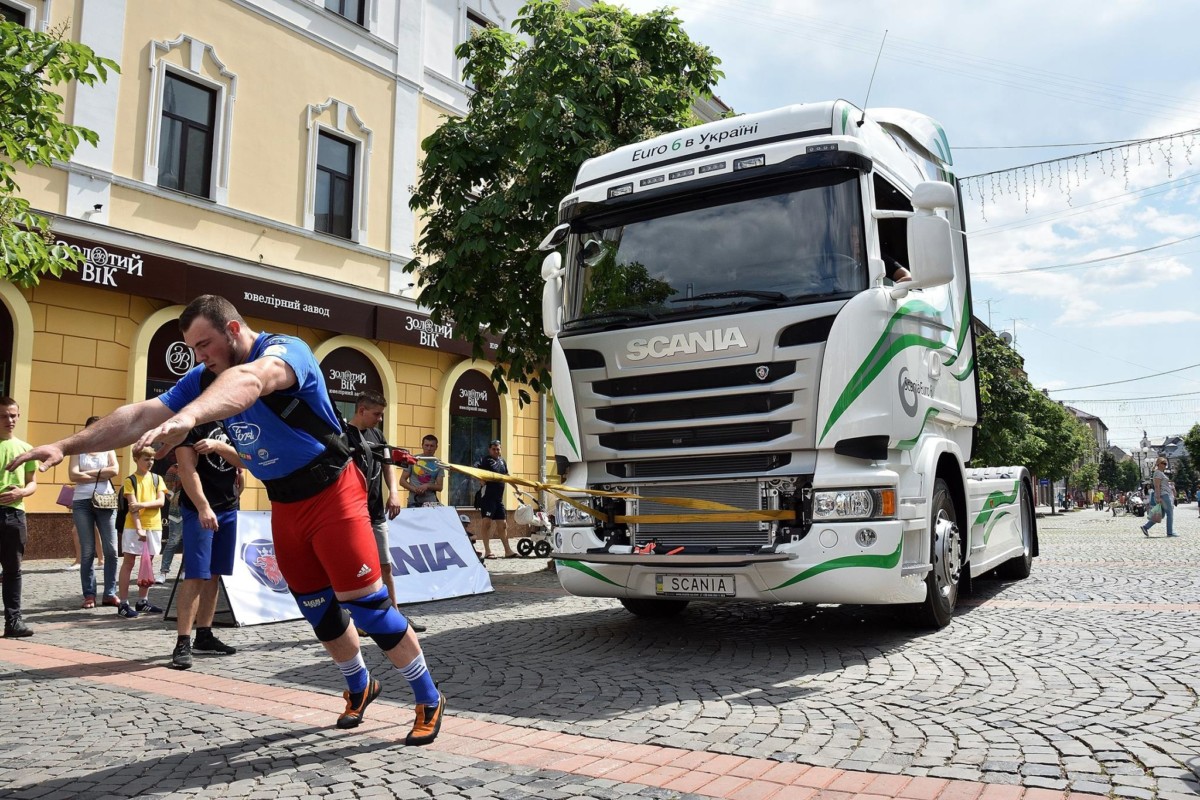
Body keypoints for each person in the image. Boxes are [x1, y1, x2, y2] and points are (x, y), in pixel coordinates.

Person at [7, 295, 444, 743]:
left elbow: (252, 379)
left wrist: (190, 415)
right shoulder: (205, 376)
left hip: (333, 494)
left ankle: (428, 697)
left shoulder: (285, 351)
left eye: (204, 344)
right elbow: (138, 414)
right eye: (193, 348)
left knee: (367, 608)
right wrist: (65, 445)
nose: (199, 357)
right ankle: (360, 685)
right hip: (285, 504)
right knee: (316, 608)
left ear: (233, 330)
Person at [346, 392, 424, 633]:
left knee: (385, 566)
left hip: (376, 512)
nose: (380, 419)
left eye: (382, 414)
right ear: (361, 410)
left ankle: (395, 616)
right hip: (351, 516)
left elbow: (388, 464)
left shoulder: (378, 435)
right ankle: (359, 621)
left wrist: (394, 492)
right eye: (376, 414)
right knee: (356, 569)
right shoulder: (343, 435)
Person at [170, 423, 243, 669]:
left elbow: (246, 462)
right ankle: (183, 641)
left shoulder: (234, 423)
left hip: (228, 507)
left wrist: (219, 446)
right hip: (198, 509)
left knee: (214, 574)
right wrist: (203, 507)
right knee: (196, 574)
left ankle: (204, 635)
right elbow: (186, 469)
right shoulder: (191, 425)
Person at [67, 417, 119, 608]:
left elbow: (115, 470)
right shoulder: (77, 449)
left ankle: (110, 593)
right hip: (82, 502)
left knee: (112, 550)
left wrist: (87, 474)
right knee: (88, 550)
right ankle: (89, 594)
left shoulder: (109, 448)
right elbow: (73, 475)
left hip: (106, 501)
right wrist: (101, 473)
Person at [0, 397, 37, 637]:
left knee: (13, 569)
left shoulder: (26, 449)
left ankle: (13, 622)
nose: (9, 420)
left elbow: (32, 483)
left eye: (13, 415)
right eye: (4, 416)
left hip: (15, 514)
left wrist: (21, 492)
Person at [117, 447, 166, 618]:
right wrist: (139, 528)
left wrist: (142, 505)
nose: (150, 462)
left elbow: (161, 502)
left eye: (152, 459)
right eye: (146, 459)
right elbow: (133, 507)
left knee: (148, 563)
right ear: (136, 460)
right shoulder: (130, 480)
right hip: (133, 527)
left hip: (154, 525)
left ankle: (142, 601)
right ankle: (123, 603)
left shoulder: (157, 479)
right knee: (129, 563)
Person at [474, 440, 514, 559]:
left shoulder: (502, 461)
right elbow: (476, 471)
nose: (496, 451)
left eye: (498, 449)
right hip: (488, 498)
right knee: (486, 523)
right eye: (494, 449)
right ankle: (487, 551)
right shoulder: (486, 460)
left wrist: (516, 487)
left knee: (503, 525)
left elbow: (507, 476)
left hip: (498, 499)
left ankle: (508, 550)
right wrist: (481, 480)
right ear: (489, 450)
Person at [400, 434, 444, 508]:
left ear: (436, 447)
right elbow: (402, 481)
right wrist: (415, 489)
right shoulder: (413, 459)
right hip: (413, 501)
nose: (429, 448)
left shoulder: (438, 463)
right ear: (422, 446)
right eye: (426, 445)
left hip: (431, 503)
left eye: (432, 446)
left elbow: (440, 487)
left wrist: (427, 486)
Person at [157, 464, 183, 584]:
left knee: (189, 543)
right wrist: (175, 498)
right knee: (173, 541)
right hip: (177, 511)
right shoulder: (174, 469)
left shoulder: (199, 466)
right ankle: (163, 572)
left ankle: (184, 571)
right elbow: (167, 490)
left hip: (194, 511)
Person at [1140, 456, 1176, 538]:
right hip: (1163, 495)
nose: (1165, 465)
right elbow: (1157, 486)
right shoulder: (1158, 473)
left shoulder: (1161, 473)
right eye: (1163, 463)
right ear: (1158, 464)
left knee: (1160, 515)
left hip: (1164, 495)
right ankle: (1170, 532)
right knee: (1170, 513)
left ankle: (1145, 527)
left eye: (1166, 463)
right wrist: (1158, 497)